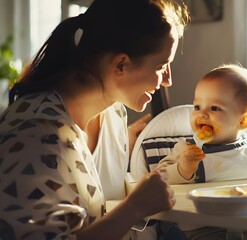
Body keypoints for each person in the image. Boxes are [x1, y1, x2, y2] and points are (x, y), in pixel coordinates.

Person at [0, 0, 189, 239]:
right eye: (162, 66)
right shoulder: (35, 134)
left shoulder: (114, 114)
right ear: (121, 64)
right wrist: (135, 207)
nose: (167, 80)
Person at [157, 64, 247, 240]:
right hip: (202, 228)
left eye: (214, 108)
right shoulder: (187, 150)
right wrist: (182, 169)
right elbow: (159, 180)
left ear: (243, 120)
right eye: (198, 106)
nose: (202, 114)